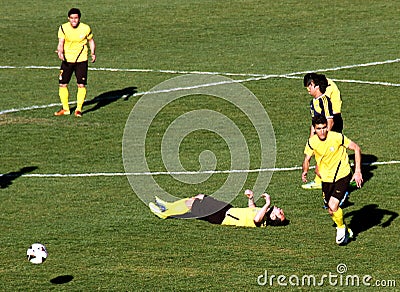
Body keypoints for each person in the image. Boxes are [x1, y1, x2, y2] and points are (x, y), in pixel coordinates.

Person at [301, 115, 363, 245]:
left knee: (333, 205)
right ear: (314, 129)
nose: (322, 131)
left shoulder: (336, 137)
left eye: (324, 128)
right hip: (326, 179)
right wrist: (305, 171)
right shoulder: (312, 142)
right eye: (319, 129)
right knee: (331, 210)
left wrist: (357, 171)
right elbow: (307, 159)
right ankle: (347, 229)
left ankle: (341, 230)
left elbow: (356, 148)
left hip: (342, 175)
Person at [149, 190, 288, 228]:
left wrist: (267, 203)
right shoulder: (262, 214)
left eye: (280, 213)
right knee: (200, 196)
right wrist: (251, 198)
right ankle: (168, 206)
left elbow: (255, 220)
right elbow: (252, 209)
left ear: (273, 217)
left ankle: (165, 212)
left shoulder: (261, 221)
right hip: (225, 209)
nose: (280, 209)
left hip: (221, 216)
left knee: (193, 204)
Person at [54, 8, 96, 118]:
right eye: (72, 18)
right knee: (63, 84)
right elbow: (61, 42)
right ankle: (66, 109)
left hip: (81, 60)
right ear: (68, 18)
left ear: (79, 18)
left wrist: (93, 53)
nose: (74, 20)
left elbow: (91, 41)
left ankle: (78, 109)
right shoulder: (63, 28)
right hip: (67, 60)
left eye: (76, 18)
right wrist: (60, 51)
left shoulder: (86, 28)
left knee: (81, 84)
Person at [302, 73, 339, 189]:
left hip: (330, 134)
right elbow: (314, 123)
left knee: (329, 160)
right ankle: (319, 181)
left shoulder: (325, 101)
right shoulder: (313, 102)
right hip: (320, 135)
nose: (308, 89)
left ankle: (342, 181)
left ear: (316, 86)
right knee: (318, 157)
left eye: (309, 85)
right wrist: (312, 138)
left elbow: (330, 121)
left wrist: (324, 135)